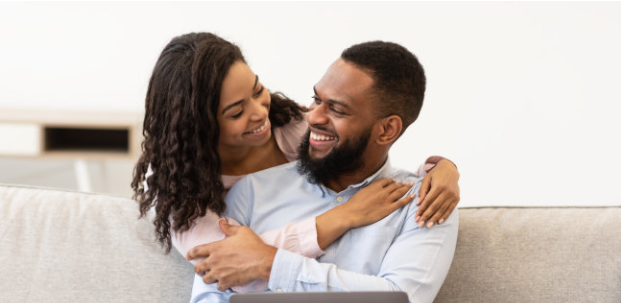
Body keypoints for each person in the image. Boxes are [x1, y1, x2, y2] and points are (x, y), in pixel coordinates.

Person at [187, 40, 459, 303]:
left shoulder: (425, 201)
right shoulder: (252, 192)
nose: (313, 116)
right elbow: (208, 302)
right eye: (316, 99)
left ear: (387, 129)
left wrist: (272, 264)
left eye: (337, 109)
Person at [130, 33, 460, 287]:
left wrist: (439, 170)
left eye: (257, 91)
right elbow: (226, 262)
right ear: (198, 126)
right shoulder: (180, 193)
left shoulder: (292, 125)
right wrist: (341, 218)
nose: (260, 113)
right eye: (236, 112)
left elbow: (362, 154)